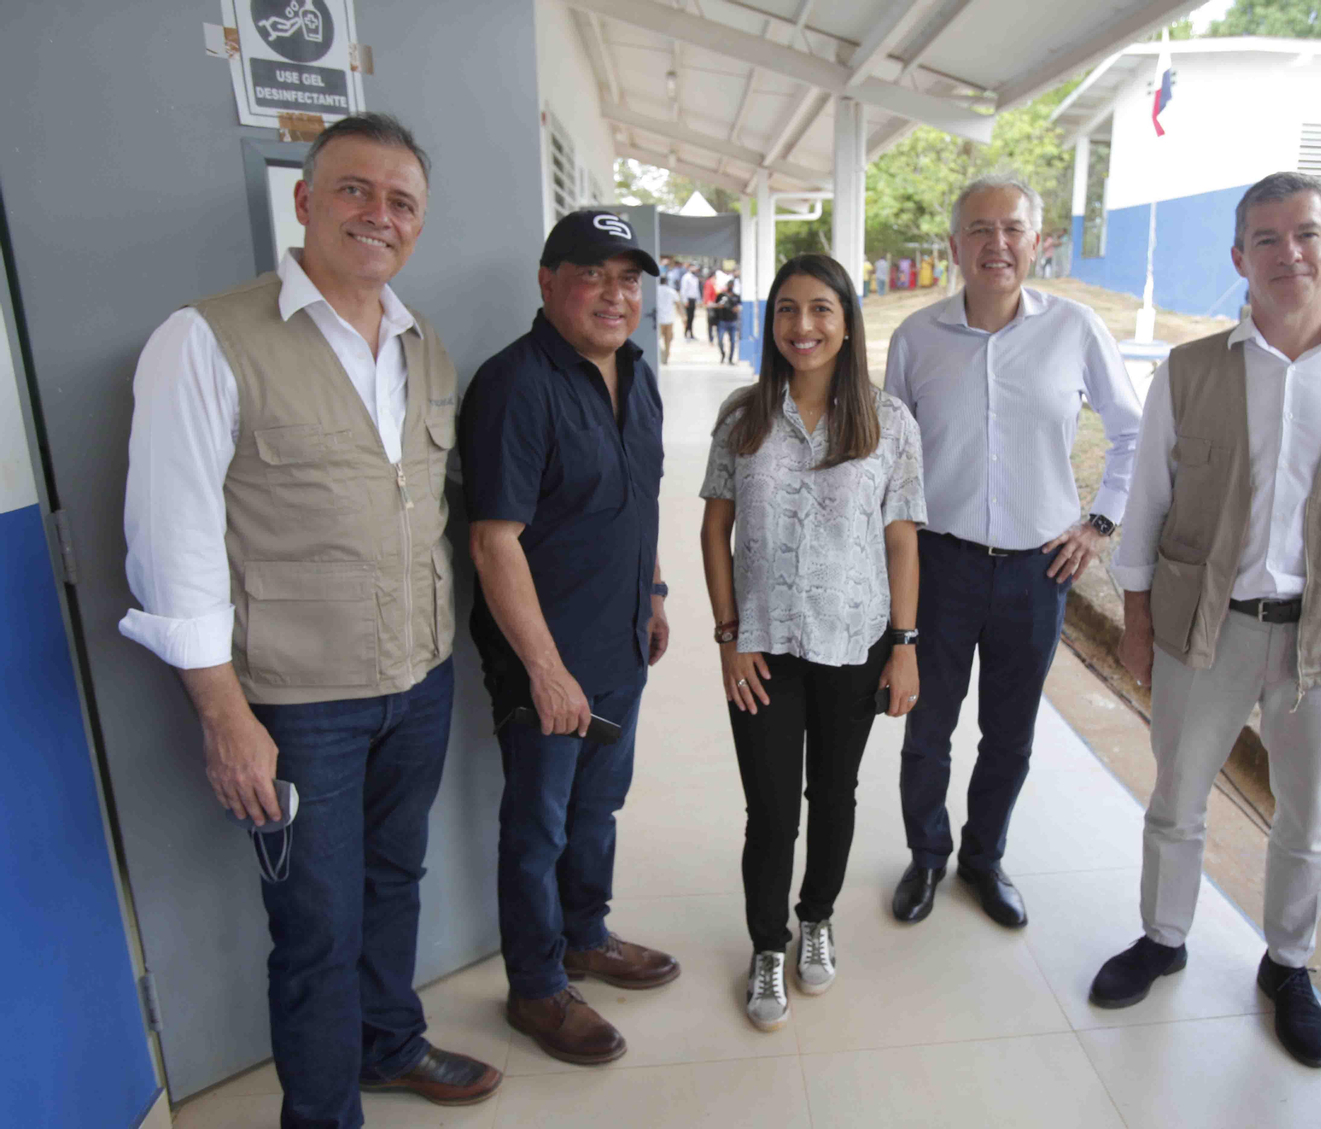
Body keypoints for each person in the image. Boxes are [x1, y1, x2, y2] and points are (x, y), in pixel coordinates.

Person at [119, 113, 500, 1127]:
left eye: (401, 201)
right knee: (317, 928)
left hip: (417, 684)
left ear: (418, 225)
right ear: (304, 201)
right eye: (354, 191)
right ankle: (323, 1115)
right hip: (296, 706)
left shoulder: (427, 348)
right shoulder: (204, 339)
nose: (379, 215)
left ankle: (388, 1043)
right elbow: (173, 540)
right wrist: (221, 712)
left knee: (395, 882)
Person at [1089, 172, 1321, 1069]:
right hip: (1204, 629)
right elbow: (1149, 503)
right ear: (1239, 258)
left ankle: (1288, 964)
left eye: (1306, 234)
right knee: (1177, 796)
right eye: (1267, 238)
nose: (1288, 252)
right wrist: (1134, 618)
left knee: (1309, 816)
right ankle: (1164, 935)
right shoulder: (1191, 369)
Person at [885, 172, 1142, 929]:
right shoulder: (916, 338)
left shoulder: (1075, 328)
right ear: (956, 245)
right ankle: (926, 857)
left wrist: (1098, 523)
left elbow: (1133, 432)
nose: (997, 244)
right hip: (941, 565)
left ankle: (983, 857)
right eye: (980, 230)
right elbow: (894, 458)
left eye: (1013, 229)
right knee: (928, 727)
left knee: (1011, 731)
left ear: (1037, 241)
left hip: (1038, 570)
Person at [459, 208, 678, 1068]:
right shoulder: (515, 384)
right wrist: (545, 672)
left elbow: (642, 496)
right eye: (593, 275)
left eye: (629, 280)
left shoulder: (640, 373)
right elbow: (493, 541)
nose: (614, 296)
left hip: (620, 642)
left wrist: (654, 591)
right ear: (549, 283)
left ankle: (586, 934)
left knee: (599, 804)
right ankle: (538, 985)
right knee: (538, 824)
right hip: (546, 662)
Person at [700, 253, 926, 1031]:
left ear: (847, 320)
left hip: (853, 643)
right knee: (770, 809)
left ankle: (816, 916)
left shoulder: (888, 420)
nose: (804, 326)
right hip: (762, 645)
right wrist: (729, 636)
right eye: (788, 309)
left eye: (821, 309)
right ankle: (767, 944)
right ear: (770, 322)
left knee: (833, 793)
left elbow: (901, 540)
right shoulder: (743, 414)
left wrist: (905, 642)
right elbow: (715, 527)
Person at [713, 281, 741, 364]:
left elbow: (739, 306)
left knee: (732, 341)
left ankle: (730, 358)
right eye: (729, 285)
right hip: (722, 322)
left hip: (732, 322)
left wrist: (737, 309)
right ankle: (723, 354)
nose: (730, 286)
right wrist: (719, 306)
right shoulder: (721, 296)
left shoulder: (736, 296)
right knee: (720, 340)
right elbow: (716, 305)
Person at [657, 273, 681, 364]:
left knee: (657, 340)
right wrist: (683, 316)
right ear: (666, 281)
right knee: (668, 340)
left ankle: (662, 354)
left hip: (659, 319)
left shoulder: (656, 290)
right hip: (669, 319)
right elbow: (678, 304)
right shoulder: (671, 291)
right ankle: (666, 357)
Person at [679, 263, 701, 339]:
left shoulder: (695, 278)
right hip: (688, 300)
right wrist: (685, 301)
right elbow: (683, 290)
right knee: (687, 317)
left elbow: (696, 290)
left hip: (693, 299)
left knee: (692, 317)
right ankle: (686, 333)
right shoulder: (686, 277)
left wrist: (698, 301)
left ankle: (691, 333)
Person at [703, 270, 720, 339]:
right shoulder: (709, 283)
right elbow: (707, 295)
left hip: (715, 305)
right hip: (710, 305)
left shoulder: (714, 283)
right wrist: (708, 303)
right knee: (710, 323)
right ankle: (711, 338)